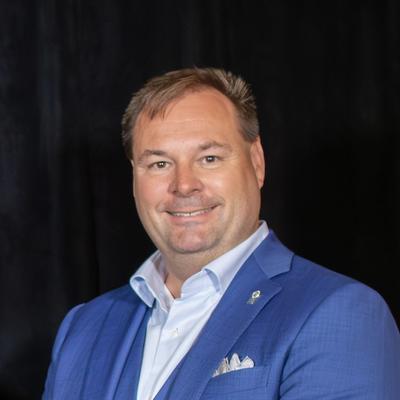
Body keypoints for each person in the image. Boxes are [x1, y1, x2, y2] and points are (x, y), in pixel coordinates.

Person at [43, 68, 400, 399]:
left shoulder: (339, 313)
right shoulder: (83, 330)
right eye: (160, 164)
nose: (184, 185)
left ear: (257, 162)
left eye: (209, 158)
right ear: (134, 177)